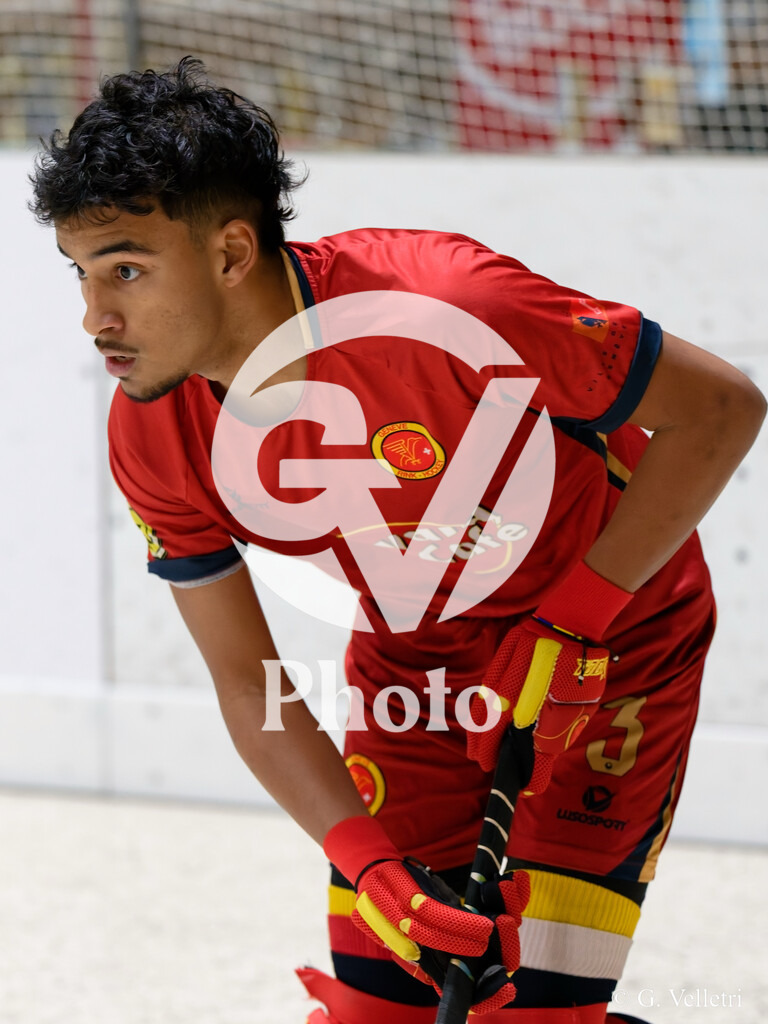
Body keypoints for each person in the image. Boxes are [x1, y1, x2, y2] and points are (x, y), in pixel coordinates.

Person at [31, 57, 765, 1024]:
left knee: (535, 1014)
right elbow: (248, 683)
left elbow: (721, 410)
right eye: (81, 274)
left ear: (231, 252)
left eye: (125, 268)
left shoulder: (454, 303)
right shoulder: (154, 429)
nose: (96, 318)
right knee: (383, 1007)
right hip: (418, 661)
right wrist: (366, 863)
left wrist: (577, 622)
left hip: (618, 640)